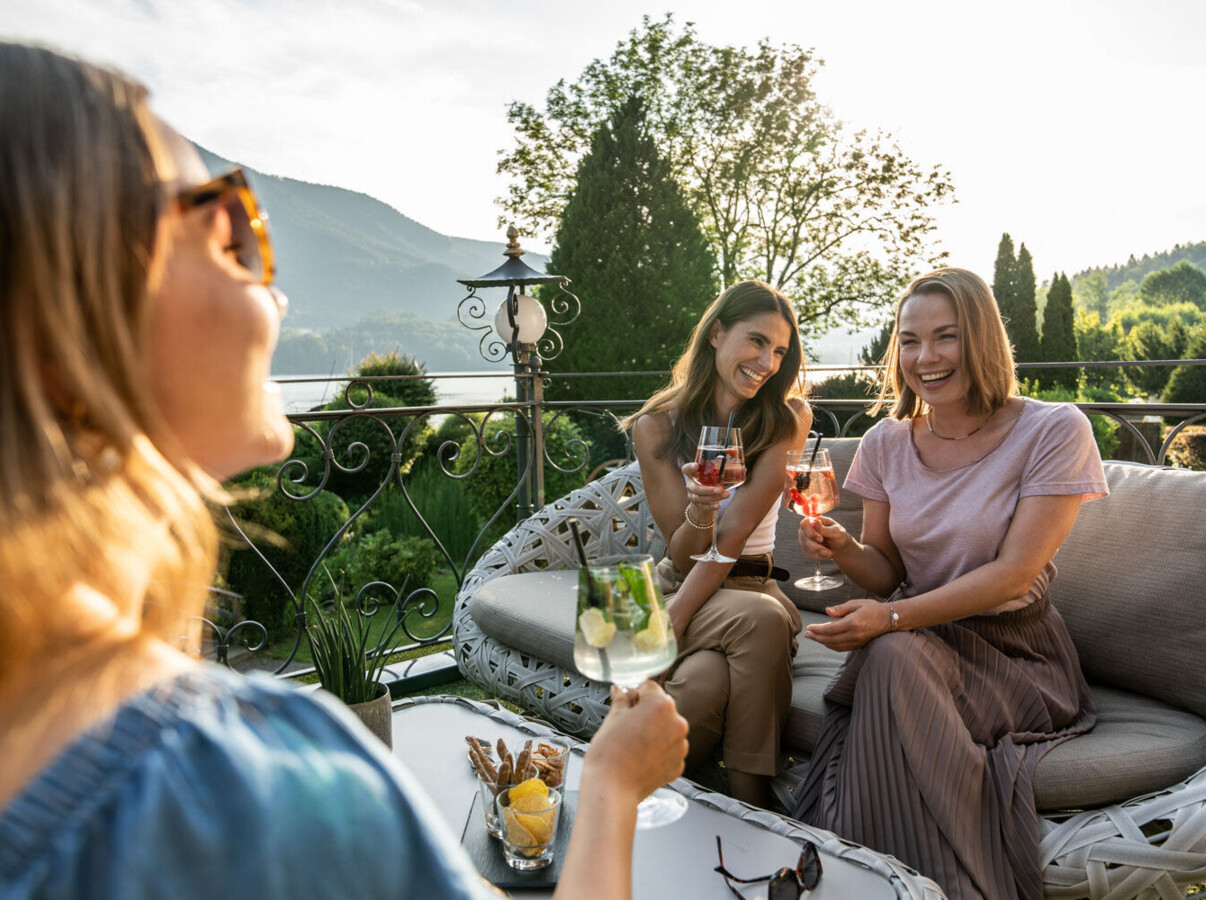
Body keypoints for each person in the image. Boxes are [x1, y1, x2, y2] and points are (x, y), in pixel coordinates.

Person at [0, 42, 688, 900]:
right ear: (73, 309)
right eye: (232, 227)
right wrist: (616, 789)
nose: (274, 291)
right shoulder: (252, 790)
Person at [790, 267, 1108, 899]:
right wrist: (846, 547)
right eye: (909, 341)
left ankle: (881, 880)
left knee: (889, 653)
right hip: (918, 646)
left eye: (946, 337)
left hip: (1014, 654)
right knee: (892, 656)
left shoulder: (1052, 430)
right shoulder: (886, 441)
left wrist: (893, 618)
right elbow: (888, 573)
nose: (924, 358)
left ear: (983, 341)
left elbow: (1014, 573)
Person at [622, 280, 811, 809]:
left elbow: (734, 539)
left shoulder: (786, 419)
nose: (767, 362)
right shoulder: (657, 427)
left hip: (747, 588)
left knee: (710, 676)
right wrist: (700, 509)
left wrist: (670, 628)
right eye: (755, 342)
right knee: (756, 628)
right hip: (681, 584)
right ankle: (750, 806)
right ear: (716, 333)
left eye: (779, 350)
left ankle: (649, 796)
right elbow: (682, 555)